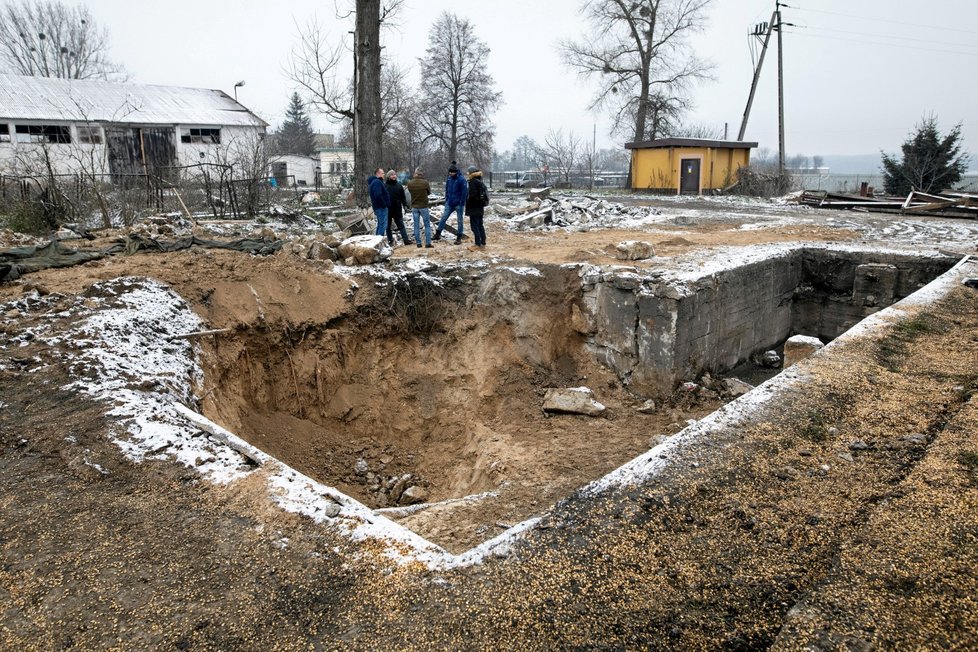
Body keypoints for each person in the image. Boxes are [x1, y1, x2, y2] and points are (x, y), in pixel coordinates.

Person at [433, 162, 467, 245]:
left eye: (452, 172)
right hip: (450, 203)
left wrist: (461, 202)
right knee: (443, 218)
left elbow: (465, 192)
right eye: (450, 172)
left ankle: (459, 237)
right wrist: (447, 199)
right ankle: (438, 234)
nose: (451, 173)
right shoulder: (449, 179)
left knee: (460, 221)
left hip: (458, 204)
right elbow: (447, 189)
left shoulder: (462, 179)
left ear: (455, 172)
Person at [406, 167, 434, 248]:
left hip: (414, 206)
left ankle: (418, 243)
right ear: (421, 174)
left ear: (415, 174)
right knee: (427, 225)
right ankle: (428, 243)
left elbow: (410, 192)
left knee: (416, 225)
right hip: (424, 206)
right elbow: (429, 192)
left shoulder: (410, 183)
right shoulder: (425, 183)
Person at [384, 169, 412, 246]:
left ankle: (406, 240)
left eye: (394, 174)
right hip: (388, 209)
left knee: (401, 225)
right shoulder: (385, 186)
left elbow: (403, 197)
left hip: (397, 209)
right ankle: (390, 240)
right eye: (392, 175)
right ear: (388, 176)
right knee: (388, 227)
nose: (394, 176)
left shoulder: (399, 185)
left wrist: (405, 205)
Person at [465, 165, 489, 250]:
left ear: (471, 173)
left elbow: (472, 195)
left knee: (474, 226)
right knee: (480, 225)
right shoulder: (479, 180)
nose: (467, 174)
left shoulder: (472, 182)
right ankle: (483, 242)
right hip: (480, 207)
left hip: (474, 207)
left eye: (468, 172)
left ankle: (477, 244)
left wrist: (467, 201)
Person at [367, 167, 390, 236]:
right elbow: (378, 195)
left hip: (378, 207)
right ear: (378, 173)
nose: (384, 175)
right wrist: (384, 204)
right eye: (383, 173)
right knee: (383, 225)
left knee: (380, 224)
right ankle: (380, 240)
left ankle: (377, 240)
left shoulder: (376, 182)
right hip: (380, 207)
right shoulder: (377, 182)